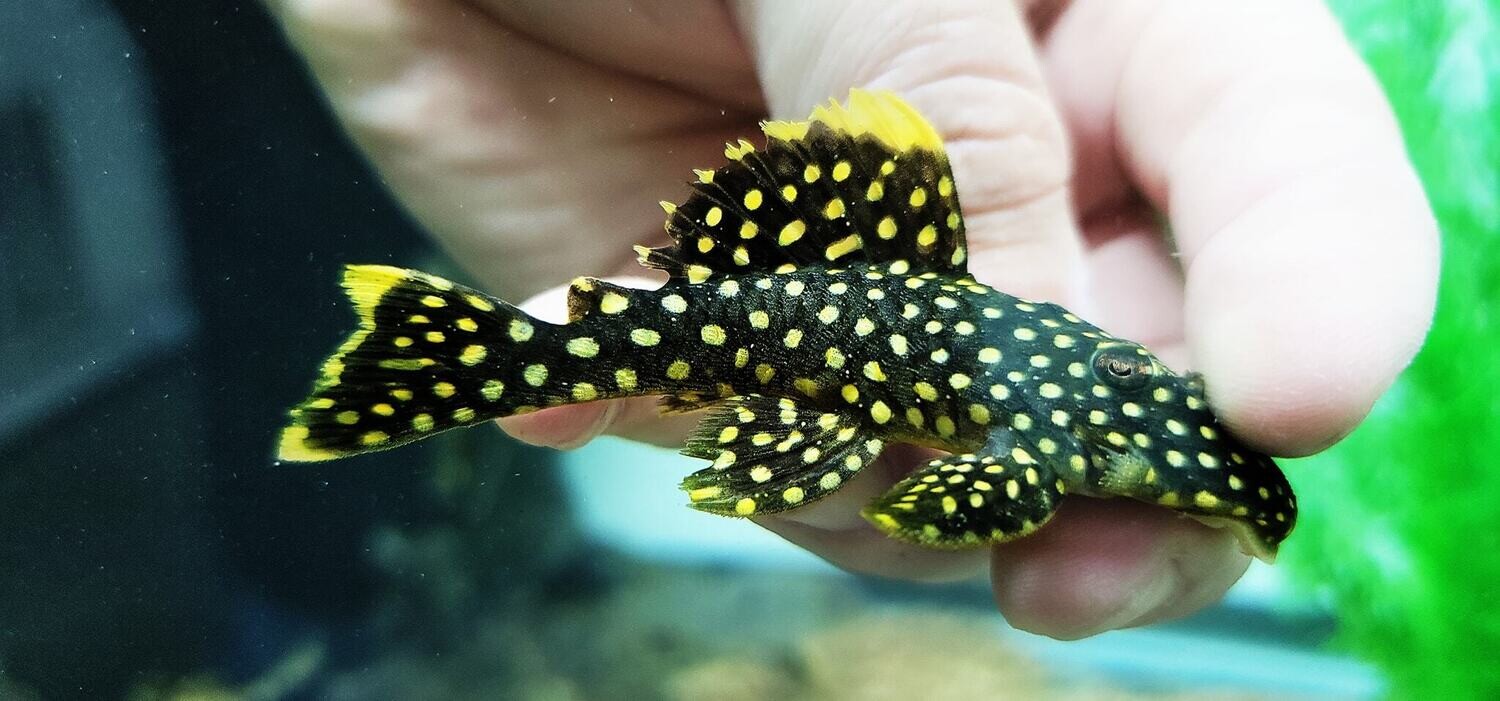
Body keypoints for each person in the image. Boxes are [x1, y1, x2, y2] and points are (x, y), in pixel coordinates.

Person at [268, 0, 1438, 639]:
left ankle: (446, 361)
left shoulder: (1086, 423)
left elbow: (952, 497)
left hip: (776, 314)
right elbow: (958, 495)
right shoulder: (1057, 422)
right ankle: (449, 363)